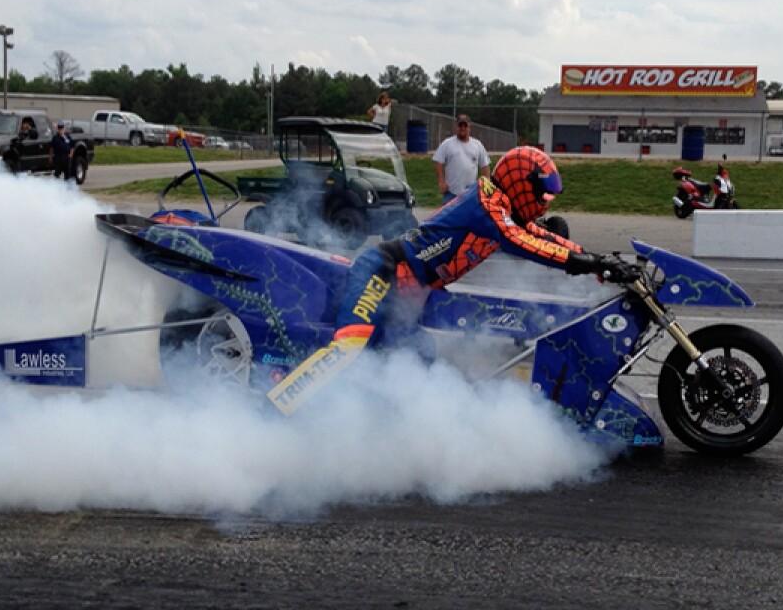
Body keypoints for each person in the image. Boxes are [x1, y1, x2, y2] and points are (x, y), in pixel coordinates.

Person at [267, 145, 632, 416]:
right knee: (350, 345)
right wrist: (585, 262)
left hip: (414, 291)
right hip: (386, 268)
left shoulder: (505, 209)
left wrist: (598, 261)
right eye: (543, 194)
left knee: (416, 358)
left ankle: (370, 427)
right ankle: (276, 410)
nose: (546, 203)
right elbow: (524, 242)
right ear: (522, 184)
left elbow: (543, 236)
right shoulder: (489, 203)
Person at [433, 114, 490, 203]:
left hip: (470, 194)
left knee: (470, 217)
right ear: (456, 127)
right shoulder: (447, 144)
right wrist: (441, 181)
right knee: (450, 217)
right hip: (451, 193)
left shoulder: (477, 145)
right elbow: (437, 161)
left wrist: (485, 184)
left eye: (465, 125)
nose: (463, 128)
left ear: (469, 127)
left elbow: (485, 165)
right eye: (460, 125)